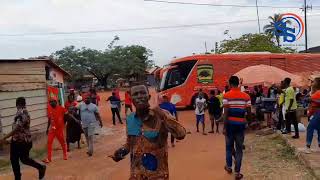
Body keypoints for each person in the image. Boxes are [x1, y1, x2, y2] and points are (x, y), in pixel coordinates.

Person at [109, 84, 186, 179]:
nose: (139, 96)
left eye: (142, 93)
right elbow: (130, 143)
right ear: (131, 98)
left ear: (148, 97)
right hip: (136, 175)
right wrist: (119, 153)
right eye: (135, 94)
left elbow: (181, 134)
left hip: (157, 175)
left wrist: (162, 115)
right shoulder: (130, 119)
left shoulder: (161, 115)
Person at [0, 97, 46, 180]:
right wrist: (10, 140)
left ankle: (19, 177)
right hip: (22, 141)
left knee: (16, 160)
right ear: (24, 104)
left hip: (21, 142)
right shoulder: (24, 112)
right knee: (23, 159)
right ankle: (40, 167)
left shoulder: (21, 112)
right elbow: (19, 130)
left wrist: (5, 137)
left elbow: (17, 128)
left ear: (17, 104)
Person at [223, 76, 251, 180]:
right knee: (239, 149)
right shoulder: (246, 96)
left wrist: (224, 127)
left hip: (230, 125)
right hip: (240, 125)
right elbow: (249, 113)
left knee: (229, 147)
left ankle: (229, 167)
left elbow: (225, 114)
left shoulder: (226, 96)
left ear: (230, 84)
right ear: (238, 83)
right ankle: (237, 173)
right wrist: (249, 123)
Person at [43, 97, 68, 163]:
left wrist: (64, 123)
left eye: (52, 102)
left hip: (59, 129)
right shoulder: (49, 109)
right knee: (49, 142)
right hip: (52, 129)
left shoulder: (61, 108)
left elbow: (67, 115)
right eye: (50, 102)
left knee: (62, 142)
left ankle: (65, 155)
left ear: (56, 102)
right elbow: (49, 119)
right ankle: (49, 158)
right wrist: (47, 128)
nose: (51, 103)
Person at [301, 77, 320, 154]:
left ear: (318, 83)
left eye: (313, 82)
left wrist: (311, 99)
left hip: (318, 112)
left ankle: (308, 147)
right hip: (315, 112)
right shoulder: (314, 92)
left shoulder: (319, 92)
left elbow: (316, 101)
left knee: (310, 127)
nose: (312, 83)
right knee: (319, 128)